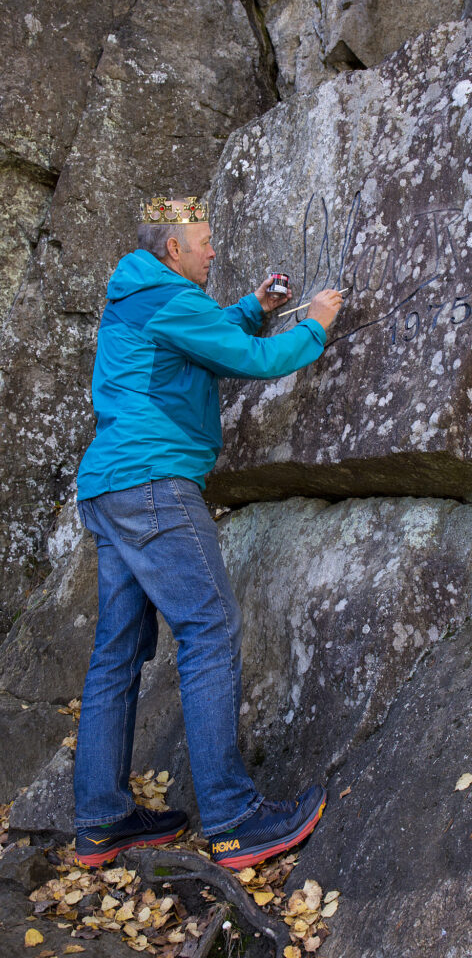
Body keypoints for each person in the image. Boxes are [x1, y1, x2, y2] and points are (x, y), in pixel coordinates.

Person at [73, 195, 343, 870]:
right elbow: (248, 360)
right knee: (209, 630)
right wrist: (315, 325)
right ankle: (232, 817)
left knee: (115, 655)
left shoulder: (142, 293)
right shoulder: (168, 297)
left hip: (111, 486)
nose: (212, 251)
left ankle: (102, 821)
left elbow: (199, 339)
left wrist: (254, 307)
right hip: (154, 484)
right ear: (172, 249)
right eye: (203, 241)